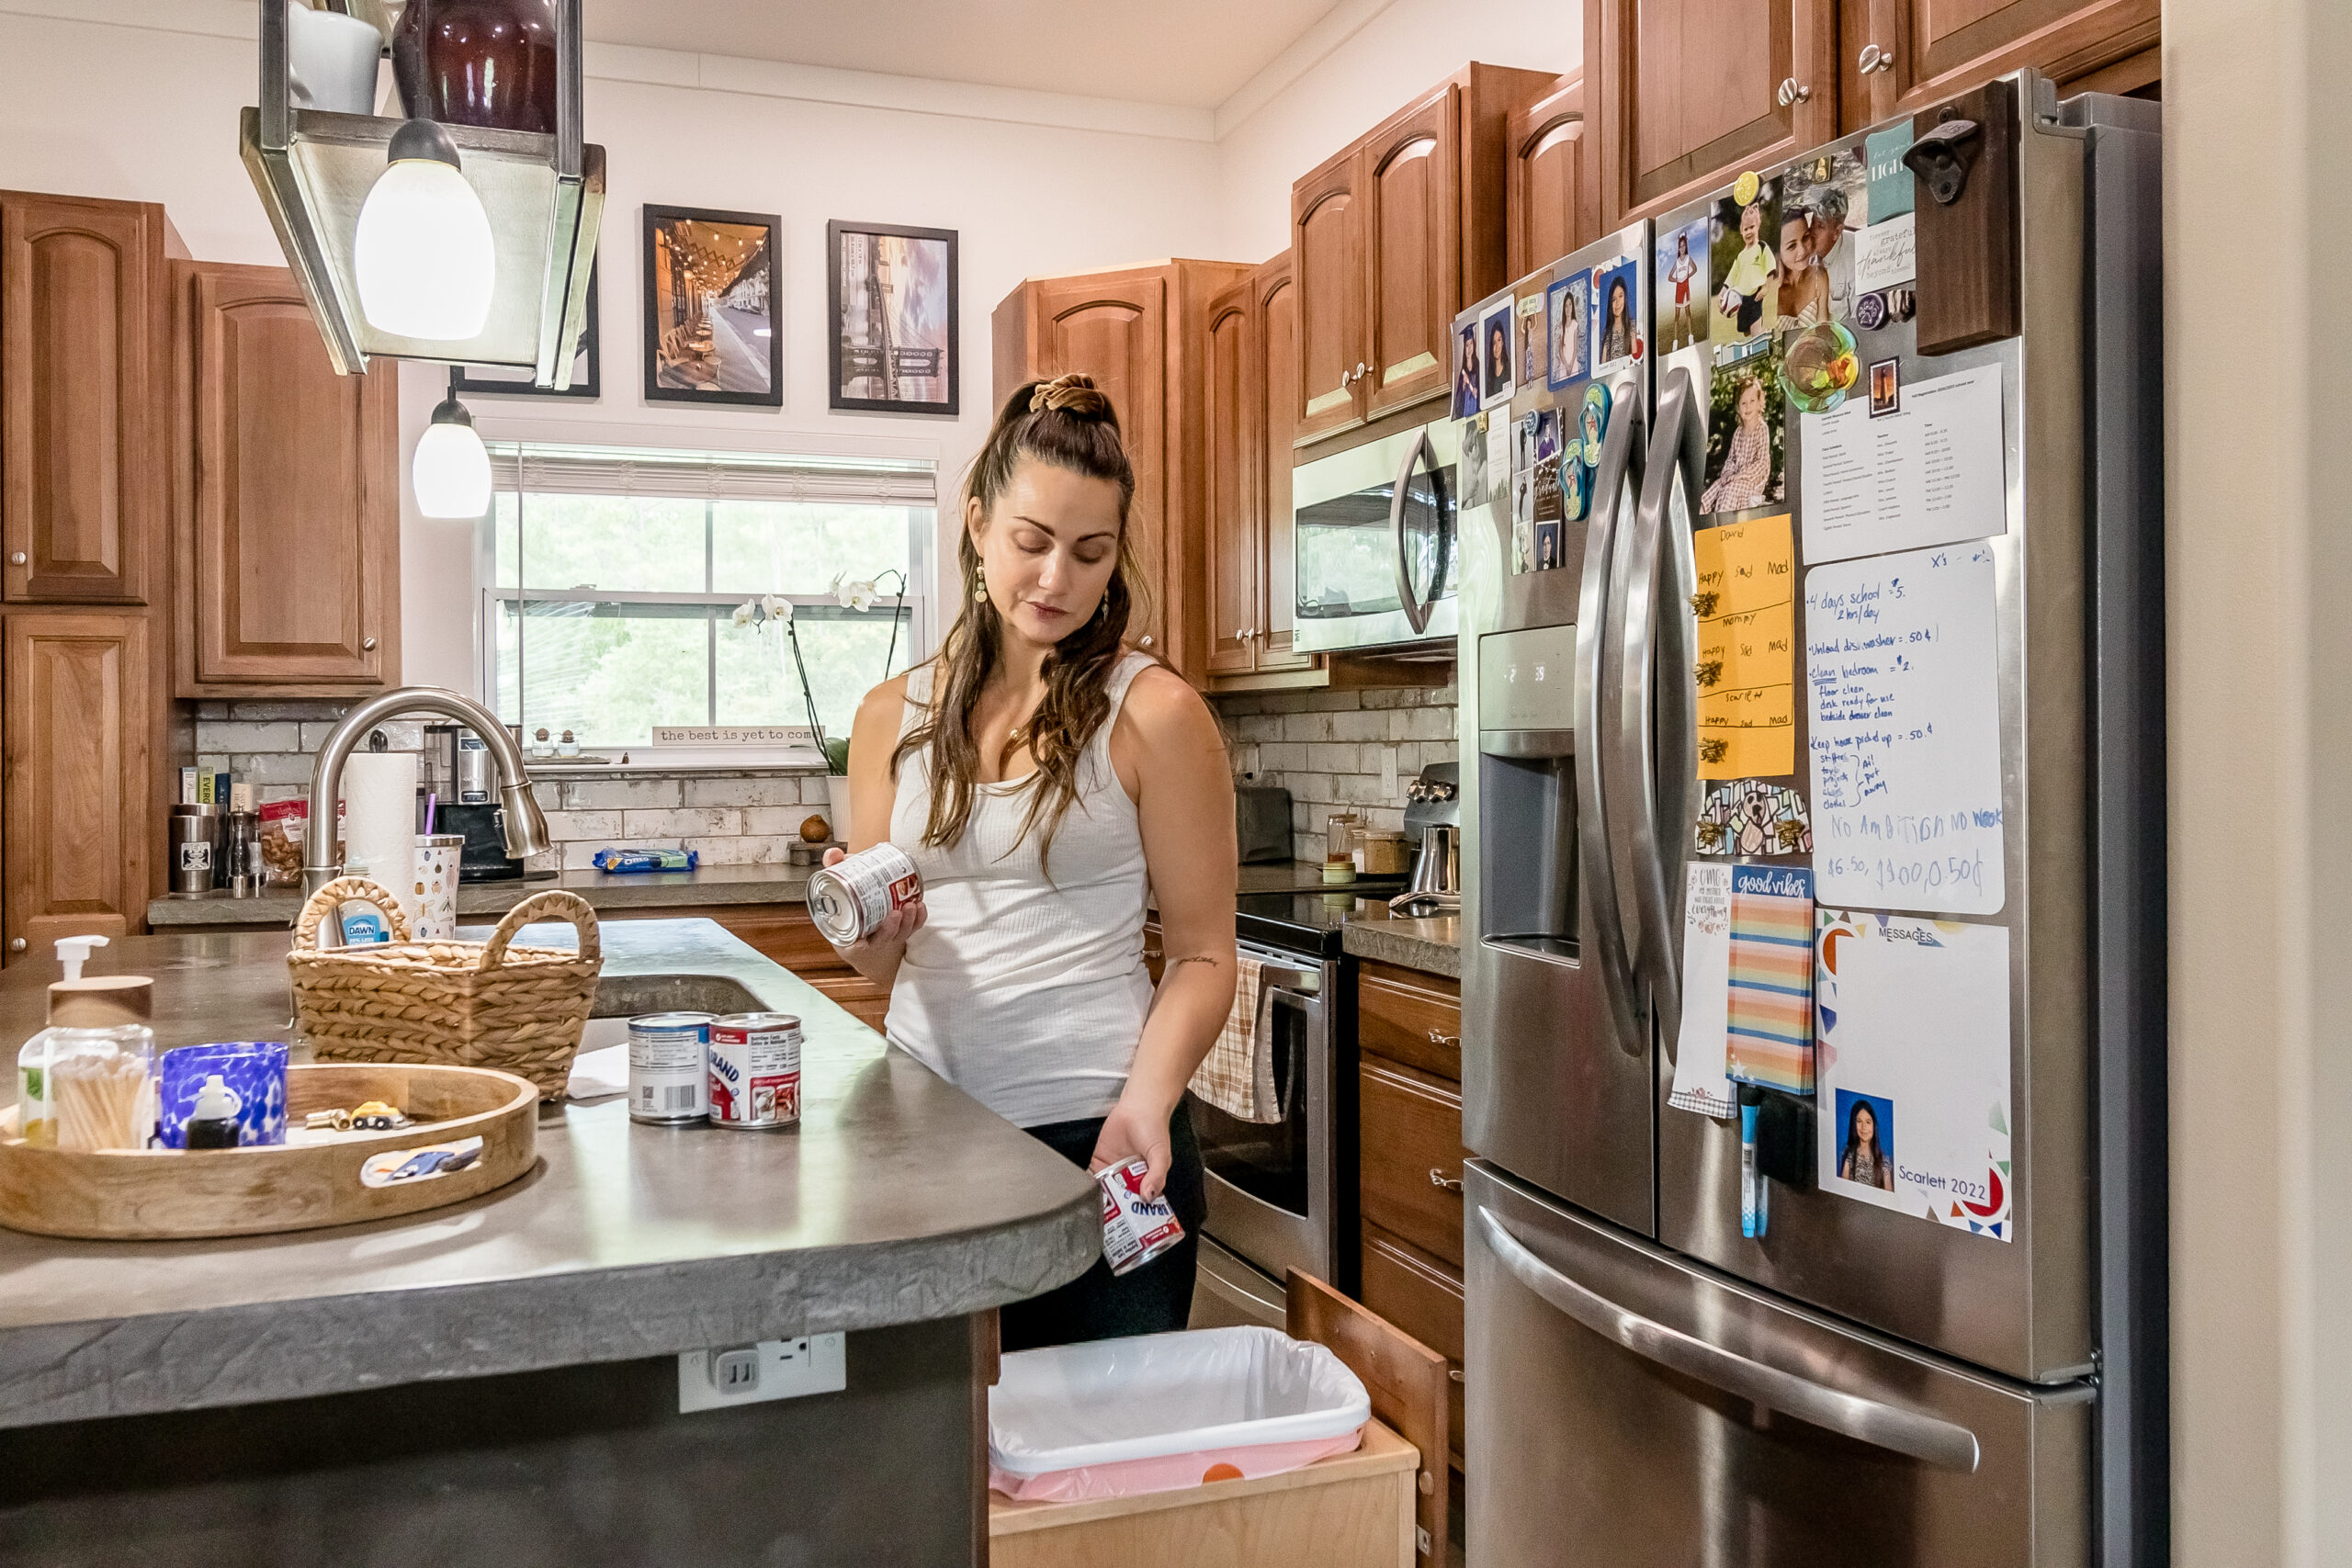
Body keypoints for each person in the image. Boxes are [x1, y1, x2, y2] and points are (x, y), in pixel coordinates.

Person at [826, 373, 1238, 1350]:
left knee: (1094, 1468)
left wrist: (1146, 1107)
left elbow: (1203, 956)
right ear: (976, 524)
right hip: (928, 1145)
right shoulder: (892, 718)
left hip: (1099, 1143)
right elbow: (883, 966)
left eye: (1089, 553)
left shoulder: (1155, 714)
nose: (1057, 579)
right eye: (1031, 541)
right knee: (950, 1468)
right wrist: (865, 932)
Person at [1699, 373, 1774, 513]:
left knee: (1730, 490)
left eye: (1752, 401)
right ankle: (1700, 517)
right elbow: (1731, 459)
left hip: (1751, 480)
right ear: (1738, 408)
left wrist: (1741, 475)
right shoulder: (1738, 432)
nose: (1748, 407)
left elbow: (1762, 462)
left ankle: (1723, 524)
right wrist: (1728, 473)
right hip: (1735, 477)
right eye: (1743, 403)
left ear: (1759, 403)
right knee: (1716, 487)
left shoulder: (1762, 428)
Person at [1714, 199, 1777, 338]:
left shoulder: (1762, 247)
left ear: (1758, 226)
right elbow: (1732, 276)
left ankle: (1762, 337)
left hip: (1755, 295)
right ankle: (1762, 334)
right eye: (1745, 229)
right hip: (1741, 298)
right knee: (1746, 331)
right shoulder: (1741, 256)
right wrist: (1723, 292)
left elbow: (1771, 268)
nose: (1749, 232)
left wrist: (1766, 287)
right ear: (1741, 231)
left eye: (1752, 227)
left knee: (1755, 331)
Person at [1775, 211, 1828, 330]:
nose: (1803, 250)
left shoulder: (1819, 276)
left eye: (1805, 238)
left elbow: (1825, 331)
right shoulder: (1764, 290)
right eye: (1791, 246)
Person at [1839, 1100, 1894, 1191]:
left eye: (1868, 1122)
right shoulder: (1848, 1153)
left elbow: (1888, 1193)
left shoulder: (1884, 1160)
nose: (1864, 1127)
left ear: (1874, 1125)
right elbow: (1843, 1187)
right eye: (1859, 1121)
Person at [1665, 230, 1700, 347]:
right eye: (1680, 247)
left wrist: (1687, 276)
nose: (1682, 248)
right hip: (1678, 289)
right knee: (1677, 316)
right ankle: (1675, 341)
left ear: (1686, 247)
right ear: (1678, 249)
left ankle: (1691, 337)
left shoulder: (1689, 258)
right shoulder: (1677, 262)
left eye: (1684, 246)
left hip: (1686, 287)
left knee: (1688, 312)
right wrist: (1677, 279)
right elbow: (1670, 277)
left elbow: (1695, 269)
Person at [1596, 274, 1634, 363]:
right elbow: (1603, 365)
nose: (1617, 303)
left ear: (1625, 298)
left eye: (1620, 296)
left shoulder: (1632, 326)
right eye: (1613, 299)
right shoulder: (1607, 333)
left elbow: (1636, 360)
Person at [1453, 326, 1480, 420]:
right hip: (1466, 410)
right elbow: (1458, 398)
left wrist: (1477, 390)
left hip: (1476, 410)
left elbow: (1483, 387)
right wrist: (1464, 384)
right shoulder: (1463, 371)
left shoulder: (1478, 365)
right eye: (1467, 345)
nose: (1469, 348)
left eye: (1471, 344)